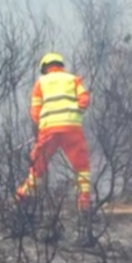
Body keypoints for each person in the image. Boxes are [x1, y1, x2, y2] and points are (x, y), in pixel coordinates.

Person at [15, 53, 93, 211]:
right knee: (81, 164)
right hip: (71, 127)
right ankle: (84, 200)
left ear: (45, 67)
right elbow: (84, 100)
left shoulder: (40, 83)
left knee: (39, 162)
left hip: (49, 129)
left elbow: (35, 111)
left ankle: (25, 193)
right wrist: (74, 113)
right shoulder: (73, 79)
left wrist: (42, 125)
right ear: (61, 65)